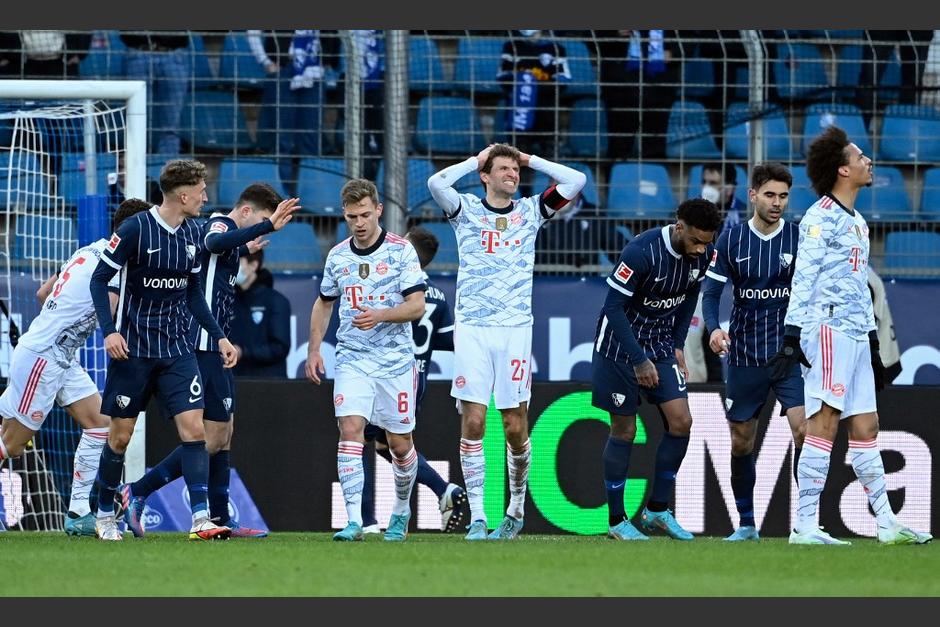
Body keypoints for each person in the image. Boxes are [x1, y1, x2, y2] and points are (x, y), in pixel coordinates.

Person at [768, 126, 931, 545]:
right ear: (843, 169)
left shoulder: (857, 221)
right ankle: (804, 525)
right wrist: (792, 333)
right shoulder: (820, 217)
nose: (868, 161)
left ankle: (886, 522)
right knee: (825, 421)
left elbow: (859, 283)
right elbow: (803, 279)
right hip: (828, 329)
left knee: (866, 426)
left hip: (857, 333)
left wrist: (873, 339)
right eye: (860, 157)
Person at [118, 184, 300, 539]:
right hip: (198, 343)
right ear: (246, 213)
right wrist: (263, 228)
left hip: (215, 347)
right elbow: (214, 242)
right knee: (211, 437)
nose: (266, 225)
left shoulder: (232, 238)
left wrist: (246, 244)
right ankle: (138, 490)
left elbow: (214, 256)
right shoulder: (219, 224)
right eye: (263, 218)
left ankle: (221, 518)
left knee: (224, 434)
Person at [427, 143, 586, 540]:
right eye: (503, 169)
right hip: (473, 330)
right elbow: (435, 182)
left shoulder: (531, 211)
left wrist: (531, 160)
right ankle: (479, 517)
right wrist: (472, 160)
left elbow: (576, 180)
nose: (512, 175)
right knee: (475, 421)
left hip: (515, 330)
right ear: (486, 175)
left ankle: (515, 507)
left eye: (516, 170)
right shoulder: (464, 210)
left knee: (514, 424)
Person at [88, 159, 239, 542]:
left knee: (194, 432)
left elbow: (191, 292)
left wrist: (218, 335)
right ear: (183, 194)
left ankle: (200, 517)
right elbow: (99, 278)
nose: (206, 197)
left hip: (177, 350)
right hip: (133, 351)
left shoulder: (193, 233)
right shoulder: (135, 228)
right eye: (202, 190)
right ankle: (106, 514)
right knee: (119, 438)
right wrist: (109, 332)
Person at [0, 198, 150, 536]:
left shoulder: (88, 251)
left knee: (99, 423)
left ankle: (78, 510)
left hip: (60, 355)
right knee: (11, 443)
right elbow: (110, 312)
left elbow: (42, 293)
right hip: (44, 355)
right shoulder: (114, 268)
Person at [306, 178, 427, 542]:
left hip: (394, 361)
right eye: (351, 217)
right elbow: (324, 301)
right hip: (353, 359)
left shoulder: (401, 251)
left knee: (400, 443)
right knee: (350, 431)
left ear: (378, 210)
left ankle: (401, 510)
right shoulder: (338, 255)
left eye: (364, 215)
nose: (359, 223)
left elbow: (416, 306)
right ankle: (355, 521)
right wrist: (314, 349)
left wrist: (381, 314)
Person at [593, 199, 722, 541]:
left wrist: (678, 344)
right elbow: (613, 307)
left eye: (707, 242)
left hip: (661, 345)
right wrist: (638, 359)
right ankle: (617, 521)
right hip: (619, 348)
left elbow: (691, 296)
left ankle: (657, 510)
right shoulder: (641, 252)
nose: (701, 249)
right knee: (624, 430)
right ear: (679, 227)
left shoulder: (704, 254)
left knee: (682, 422)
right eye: (696, 240)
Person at [701, 163, 806, 542]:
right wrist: (713, 328)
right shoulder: (730, 241)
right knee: (742, 440)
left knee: (805, 432)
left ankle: (806, 523)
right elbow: (711, 293)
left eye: (783, 196)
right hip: (745, 355)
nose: (777, 203)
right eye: (770, 195)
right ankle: (746, 524)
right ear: (753, 196)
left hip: (790, 355)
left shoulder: (798, 238)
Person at [359, 226, 467, 534]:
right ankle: (443, 489)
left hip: (388, 374)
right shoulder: (437, 295)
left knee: (361, 441)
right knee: (388, 445)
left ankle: (367, 521)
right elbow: (451, 341)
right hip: (417, 380)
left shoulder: (394, 289)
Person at [247, 30, 339, 188]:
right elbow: (252, 31)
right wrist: (265, 61)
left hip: (315, 70)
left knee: (311, 139)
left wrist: (328, 60)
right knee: (283, 141)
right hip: (285, 68)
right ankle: (281, 195)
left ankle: (310, 193)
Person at [596, 30, 681, 160]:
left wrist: (675, 52)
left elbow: (690, 36)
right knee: (619, 144)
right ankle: (617, 177)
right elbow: (590, 36)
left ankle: (654, 177)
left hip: (661, 83)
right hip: (619, 84)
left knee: (655, 143)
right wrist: (615, 33)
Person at [497, 30, 571, 160]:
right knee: (518, 152)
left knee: (549, 152)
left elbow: (564, 80)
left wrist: (534, 87)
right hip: (519, 111)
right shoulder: (511, 47)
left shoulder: (557, 49)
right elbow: (503, 77)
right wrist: (524, 84)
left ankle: (550, 179)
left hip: (546, 109)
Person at [119, 32, 192, 156]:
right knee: (135, 119)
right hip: (137, 52)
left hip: (173, 54)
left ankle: (168, 168)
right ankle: (136, 165)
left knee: (171, 124)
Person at [230, 250, 292, 378]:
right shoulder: (228, 300)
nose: (232, 266)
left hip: (269, 385)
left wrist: (243, 352)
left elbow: (280, 348)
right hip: (234, 381)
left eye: (238, 262)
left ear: (253, 265)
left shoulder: (276, 301)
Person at [701, 162, 748, 234]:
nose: (705, 187)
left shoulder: (745, 214)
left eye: (713, 183)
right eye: (704, 182)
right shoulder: (693, 211)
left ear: (730, 189)